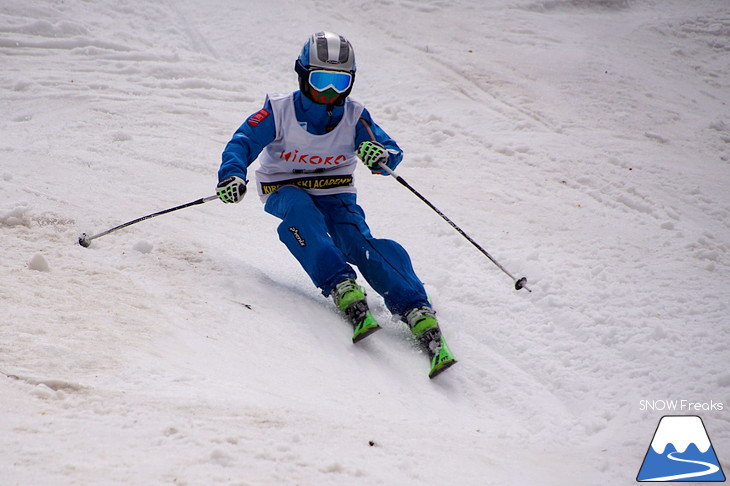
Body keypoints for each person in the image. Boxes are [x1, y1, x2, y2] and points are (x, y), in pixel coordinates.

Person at [216, 31, 456, 378]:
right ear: (303, 75)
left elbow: (388, 149)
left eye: (339, 82)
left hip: (336, 191)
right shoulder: (278, 111)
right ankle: (340, 283)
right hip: (285, 186)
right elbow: (242, 143)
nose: (330, 92)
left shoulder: (354, 116)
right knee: (301, 215)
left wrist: (381, 156)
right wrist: (232, 174)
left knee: (358, 243)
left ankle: (415, 306)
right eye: (321, 80)